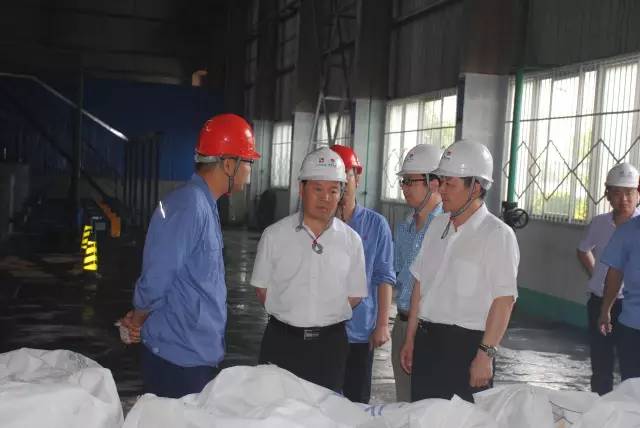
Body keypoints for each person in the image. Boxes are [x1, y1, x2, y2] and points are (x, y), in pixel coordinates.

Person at [117, 113, 260, 398]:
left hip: (195, 353)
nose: (250, 171)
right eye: (248, 162)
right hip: (178, 359)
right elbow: (157, 277)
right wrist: (138, 318)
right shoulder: (188, 206)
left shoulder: (205, 204)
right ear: (228, 164)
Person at [399, 140, 520, 403]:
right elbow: (419, 285)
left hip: (466, 350)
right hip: (427, 345)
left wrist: (485, 355)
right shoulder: (437, 226)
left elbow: (504, 301)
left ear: (475, 186)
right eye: (440, 182)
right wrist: (410, 339)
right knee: (423, 417)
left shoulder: (497, 235)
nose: (441, 190)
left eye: (449, 184)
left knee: (464, 419)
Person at [251, 146, 368, 393]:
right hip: (281, 343)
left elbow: (355, 294)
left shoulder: (351, 241)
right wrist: (293, 314)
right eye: (317, 189)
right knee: (275, 407)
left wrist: (322, 315)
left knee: (323, 410)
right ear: (301, 188)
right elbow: (262, 290)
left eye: (333, 190)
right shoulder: (274, 235)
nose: (325, 198)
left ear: (341, 193)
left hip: (329, 348)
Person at [330, 144, 396, 404]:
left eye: (346, 176)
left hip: (359, 331)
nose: (341, 185)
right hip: (322, 330)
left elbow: (384, 276)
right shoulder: (317, 224)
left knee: (356, 403)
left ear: (357, 177)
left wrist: (382, 325)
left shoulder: (376, 225)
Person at [577, 163, 640, 394]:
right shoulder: (600, 223)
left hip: (629, 306)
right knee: (601, 363)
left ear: (638, 194)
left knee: (630, 369)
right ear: (607, 194)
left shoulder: (636, 227)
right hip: (601, 301)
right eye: (617, 193)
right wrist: (597, 275)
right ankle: (600, 406)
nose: (624, 199)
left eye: (629, 192)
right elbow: (583, 249)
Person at [391, 144, 443, 402]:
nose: (405, 188)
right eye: (403, 182)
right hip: (401, 324)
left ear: (433, 183)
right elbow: (398, 275)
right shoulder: (405, 228)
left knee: (428, 406)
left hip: (429, 330)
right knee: (404, 404)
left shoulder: (446, 229)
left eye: (411, 181)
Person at [598, 164, 640, 385]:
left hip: (632, 324)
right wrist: (606, 310)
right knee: (631, 388)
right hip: (633, 326)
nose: (624, 198)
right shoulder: (628, 231)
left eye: (629, 192)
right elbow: (614, 275)